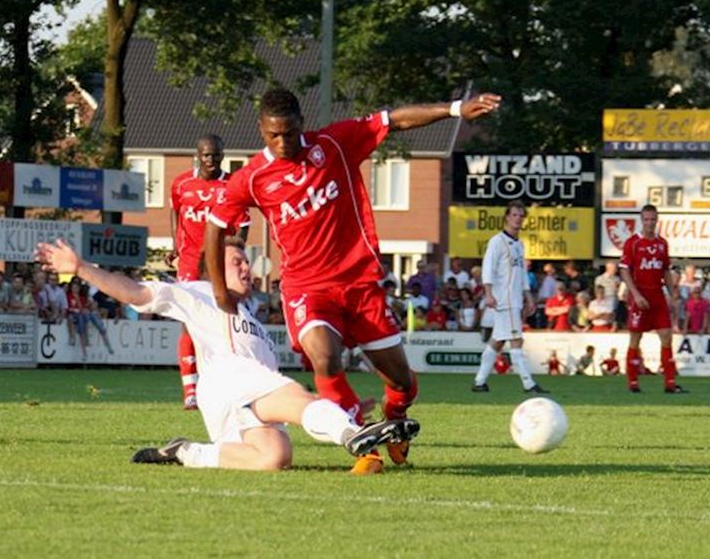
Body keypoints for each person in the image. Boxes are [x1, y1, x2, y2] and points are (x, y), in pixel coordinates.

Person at [205, 87, 500, 474]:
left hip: (360, 284)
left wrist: (456, 108)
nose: (282, 142)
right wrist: (218, 288)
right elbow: (215, 225)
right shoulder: (253, 178)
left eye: (289, 133)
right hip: (306, 288)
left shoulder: (336, 144)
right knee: (324, 355)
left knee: (403, 382)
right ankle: (363, 445)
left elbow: (393, 119)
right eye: (273, 135)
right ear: (261, 129)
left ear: (301, 125)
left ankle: (395, 420)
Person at [36, 236, 418, 471]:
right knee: (300, 404)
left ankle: (186, 452)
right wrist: (81, 268)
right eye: (237, 261)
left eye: (246, 261)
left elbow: (279, 389)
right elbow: (134, 292)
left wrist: (320, 402)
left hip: (234, 401)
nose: (246, 267)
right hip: (225, 380)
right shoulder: (196, 291)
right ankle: (353, 435)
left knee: (274, 459)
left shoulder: (251, 318)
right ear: (214, 267)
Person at [167, 134, 250, 410]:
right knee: (188, 323)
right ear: (197, 155)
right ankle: (190, 390)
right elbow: (175, 213)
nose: (211, 161)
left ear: (223, 155)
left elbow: (244, 223)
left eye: (216, 155)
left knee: (227, 324)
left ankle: (232, 387)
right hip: (190, 263)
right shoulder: (181, 183)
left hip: (218, 265)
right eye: (206, 155)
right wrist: (175, 247)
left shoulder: (232, 185)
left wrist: (235, 251)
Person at [470, 200, 548, 394]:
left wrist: (528, 296)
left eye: (521, 215)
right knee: (516, 339)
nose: (518, 219)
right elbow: (488, 268)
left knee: (498, 340)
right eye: (514, 215)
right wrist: (488, 293)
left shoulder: (519, 244)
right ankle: (528, 383)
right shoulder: (497, 241)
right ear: (507, 217)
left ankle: (479, 381)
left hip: (515, 300)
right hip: (503, 299)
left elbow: (521, 274)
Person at [619, 204, 687, 393]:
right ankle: (633, 382)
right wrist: (635, 294)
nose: (649, 223)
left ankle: (670, 383)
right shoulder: (633, 242)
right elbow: (624, 270)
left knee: (666, 336)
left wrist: (672, 293)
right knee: (635, 338)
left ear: (657, 220)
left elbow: (665, 269)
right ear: (642, 220)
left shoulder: (662, 243)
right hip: (640, 295)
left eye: (653, 219)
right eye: (646, 219)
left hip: (657, 296)